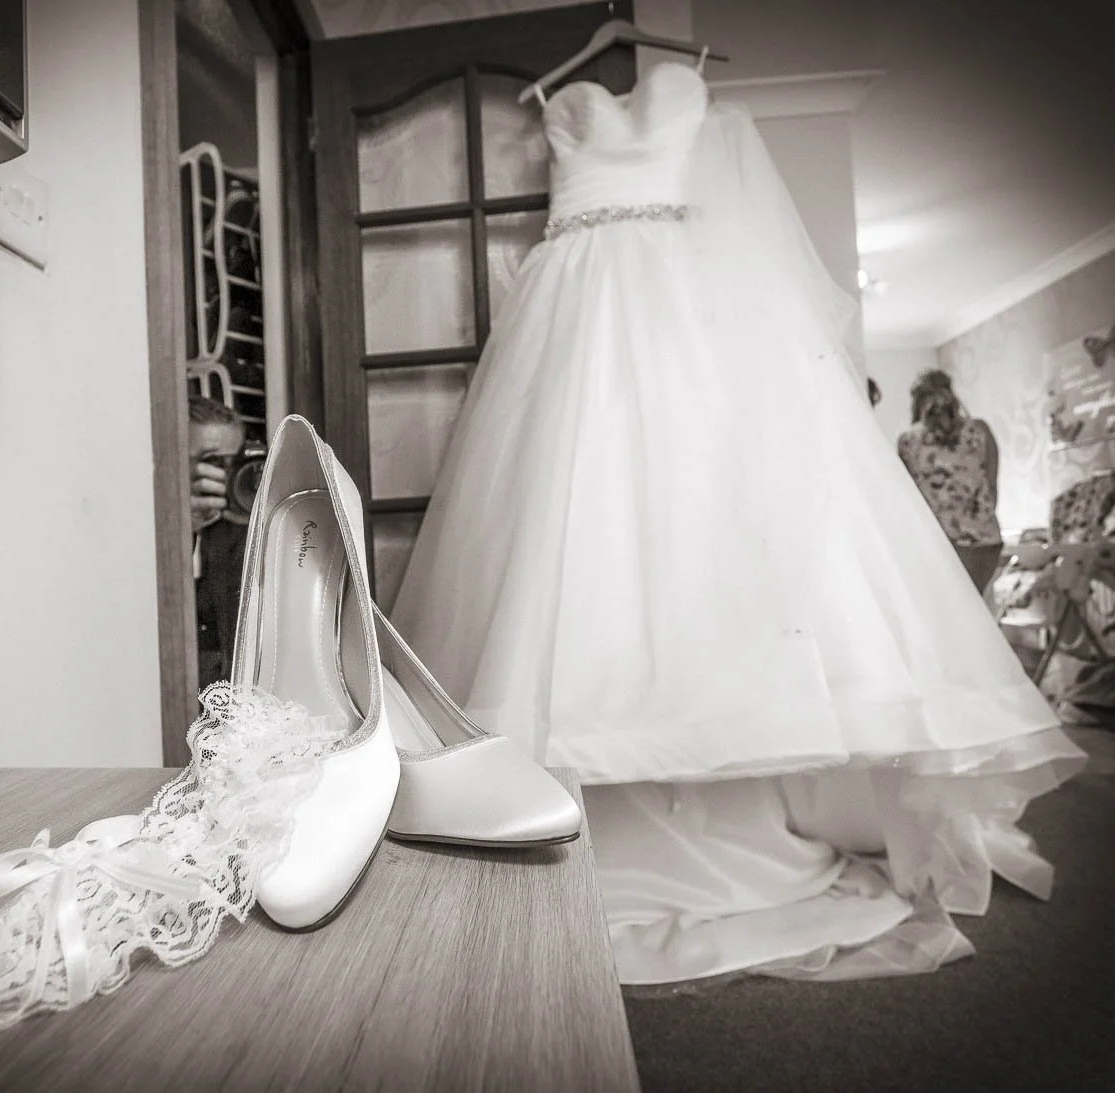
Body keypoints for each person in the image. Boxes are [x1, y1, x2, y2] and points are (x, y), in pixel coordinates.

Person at [390, 58, 1084, 985]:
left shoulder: (687, 91)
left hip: (687, 316)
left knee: (702, 530)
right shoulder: (558, 95)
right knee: (576, 531)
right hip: (576, 320)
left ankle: (691, 799)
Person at [897, 369, 1003, 594]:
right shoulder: (980, 430)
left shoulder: (908, 443)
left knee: (951, 620)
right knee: (977, 614)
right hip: (986, 543)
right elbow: (992, 489)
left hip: (943, 546)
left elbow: (909, 501)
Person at [188, 394, 247, 685]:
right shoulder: (146, 529)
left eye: (231, 463)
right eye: (211, 461)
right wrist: (183, 528)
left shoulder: (244, 532)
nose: (223, 475)